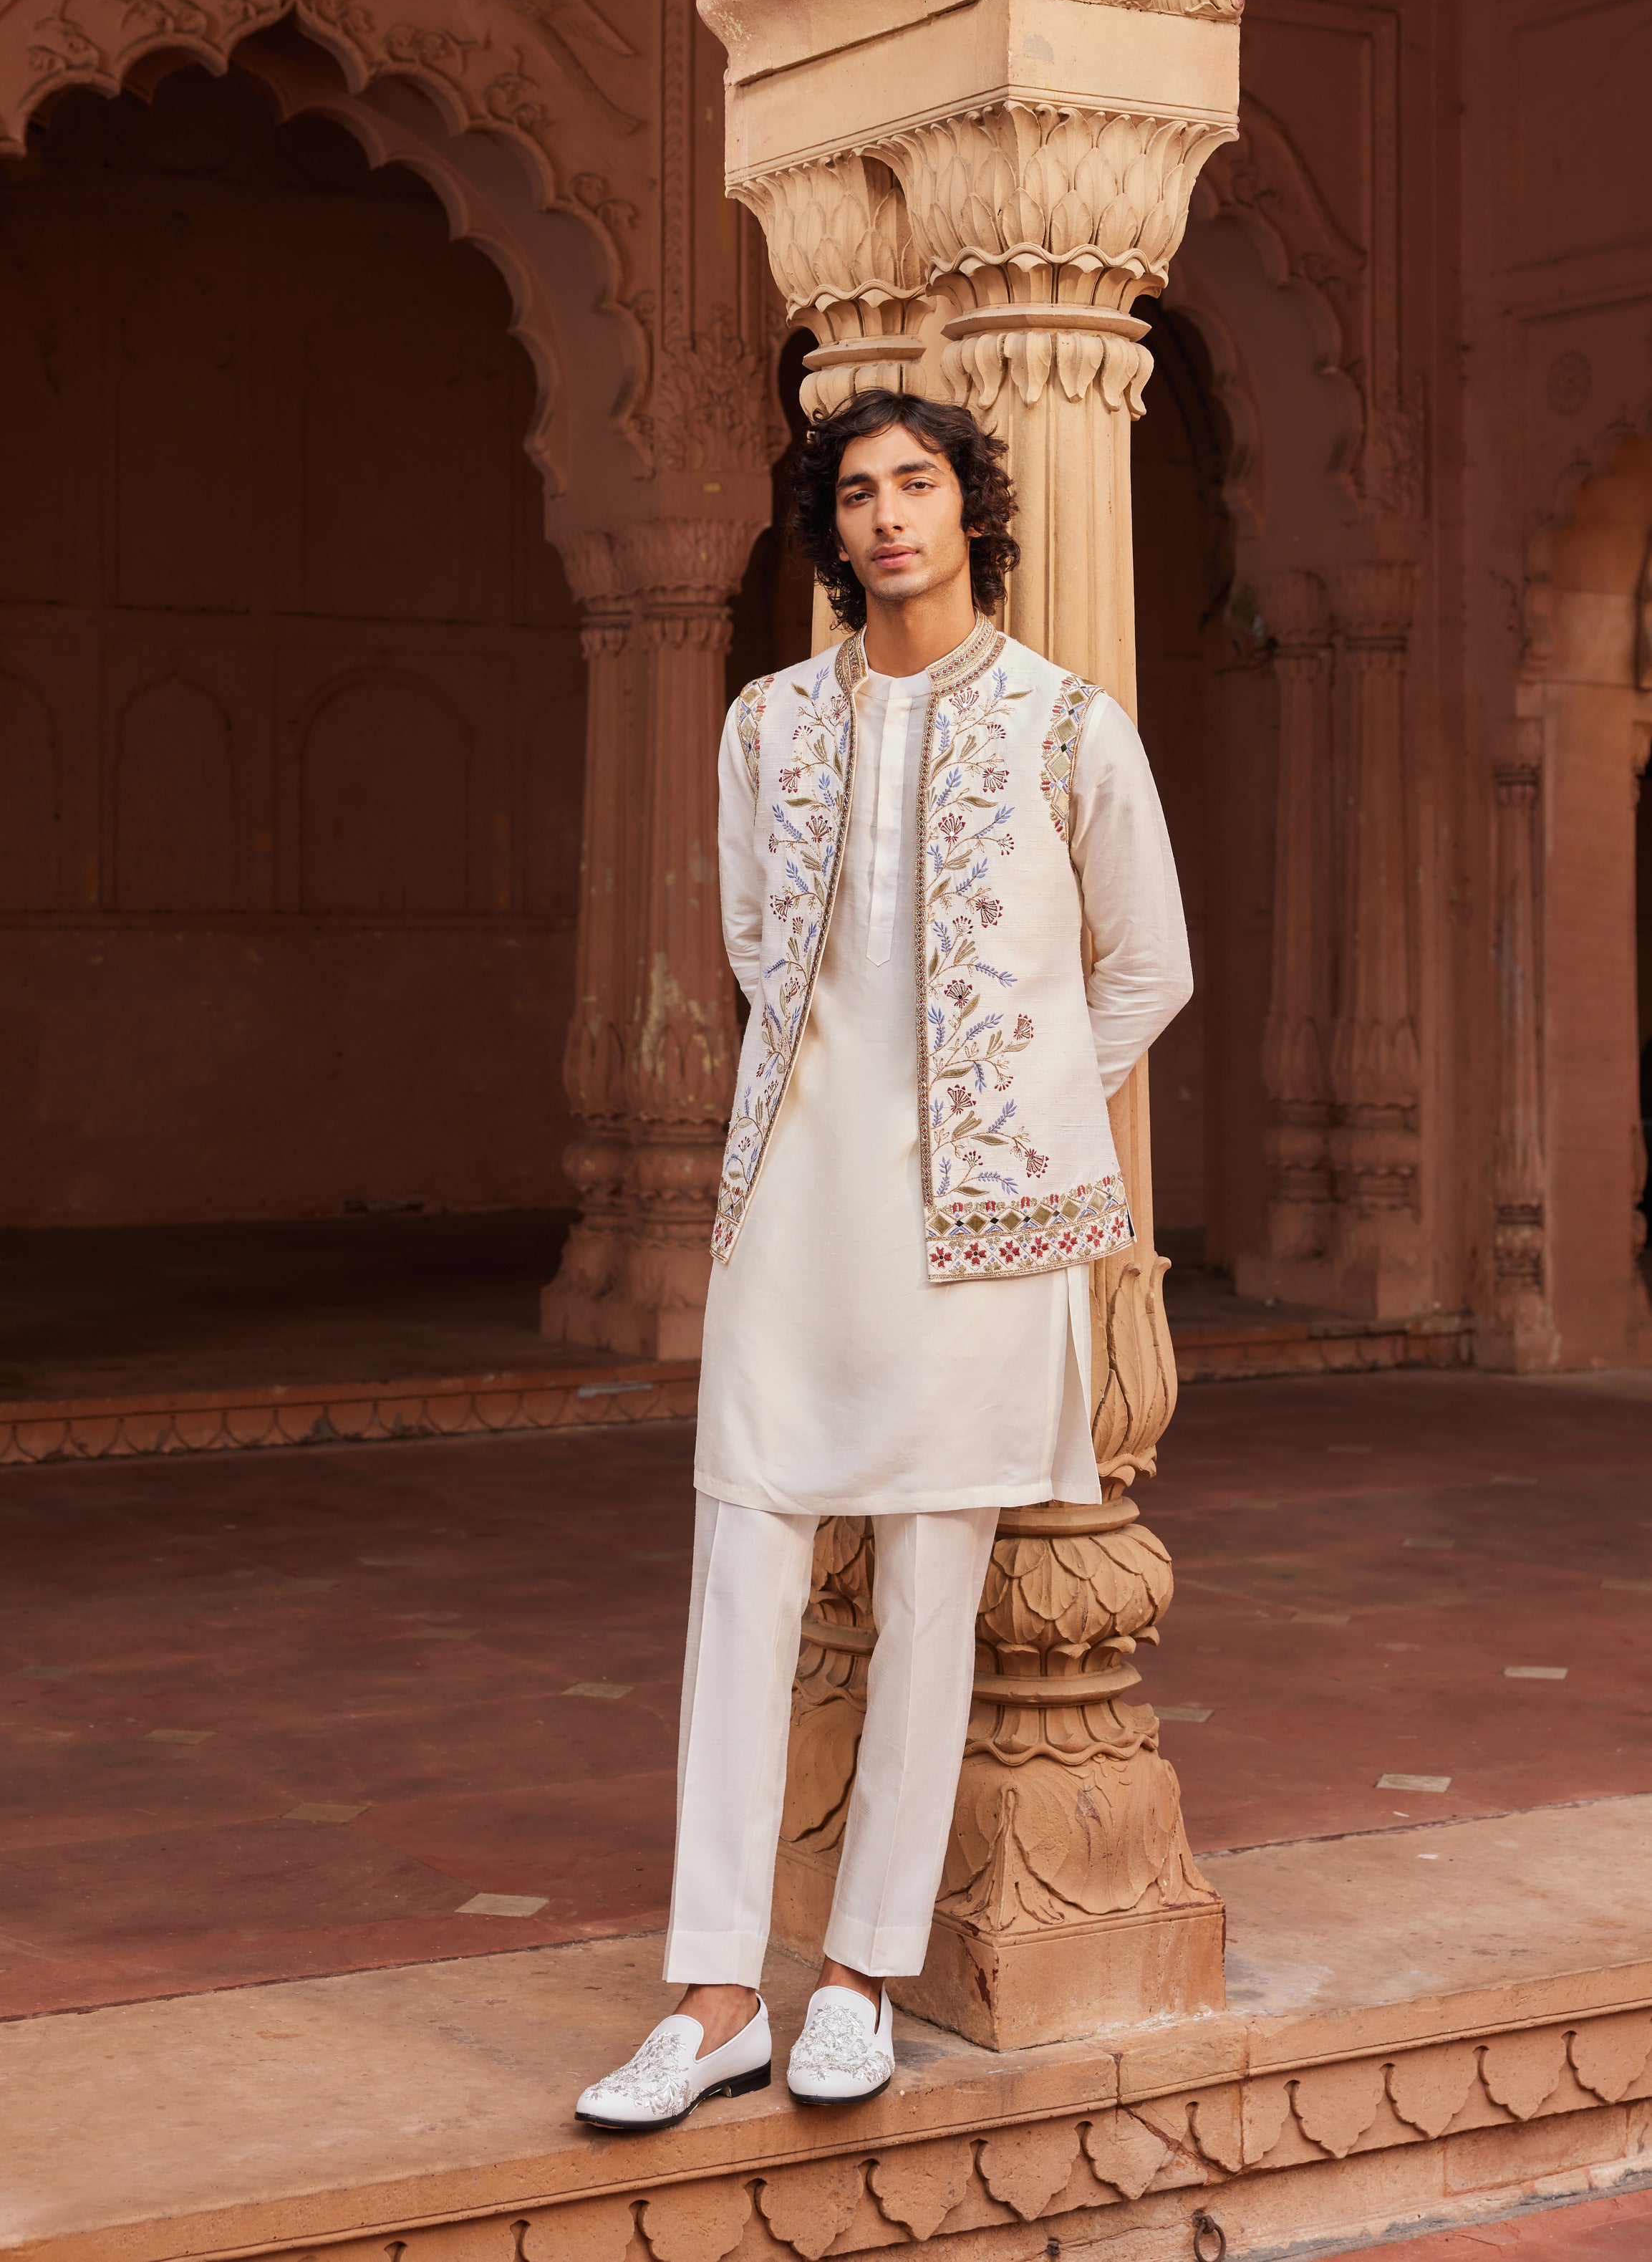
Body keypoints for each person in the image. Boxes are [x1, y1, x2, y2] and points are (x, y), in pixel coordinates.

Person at [575, 389, 1192, 2130]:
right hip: (797, 1203)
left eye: (918, 485)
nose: (888, 516)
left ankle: (854, 1973)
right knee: (744, 1556)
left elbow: (1145, 964)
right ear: (829, 527)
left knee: (933, 1585)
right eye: (858, 493)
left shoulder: (1073, 728)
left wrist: (1022, 1112)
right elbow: (768, 951)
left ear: (970, 512)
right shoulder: (768, 726)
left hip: (984, 1229)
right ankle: (711, 1992)